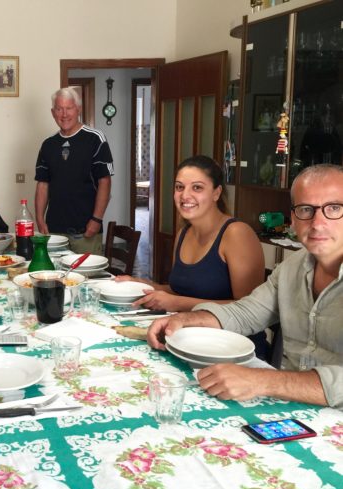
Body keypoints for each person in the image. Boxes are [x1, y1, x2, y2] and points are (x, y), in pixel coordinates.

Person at [147, 163, 343, 410]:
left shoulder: (237, 233)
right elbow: (246, 312)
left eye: (334, 208)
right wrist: (187, 320)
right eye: (306, 209)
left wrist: (262, 380)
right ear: (293, 218)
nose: (317, 222)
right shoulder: (292, 269)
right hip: (294, 412)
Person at [116, 155, 266, 355]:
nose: (185, 195)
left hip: (233, 349)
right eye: (179, 187)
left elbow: (249, 309)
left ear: (216, 193)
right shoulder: (184, 233)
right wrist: (142, 285)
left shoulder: (237, 233)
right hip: (189, 340)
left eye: (197, 187)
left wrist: (176, 303)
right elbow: (183, 289)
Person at [35, 87, 114, 255]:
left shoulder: (95, 138)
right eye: (59, 109)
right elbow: (43, 184)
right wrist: (40, 219)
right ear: (52, 112)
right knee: (55, 279)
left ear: (78, 109)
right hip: (54, 231)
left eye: (69, 108)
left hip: (85, 231)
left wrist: (96, 220)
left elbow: (104, 181)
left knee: (88, 280)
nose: (64, 114)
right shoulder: (48, 145)